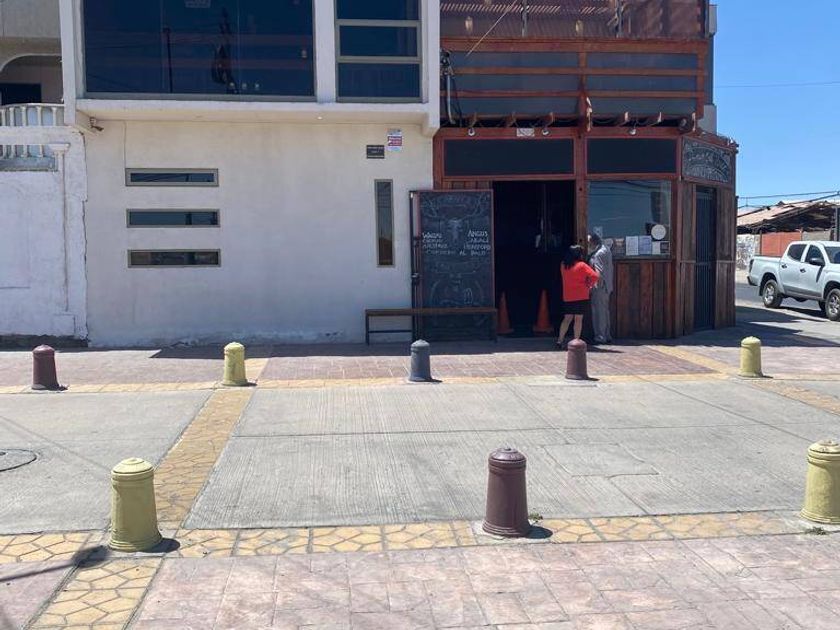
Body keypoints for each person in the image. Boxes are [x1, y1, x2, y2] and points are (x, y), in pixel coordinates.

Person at [557, 245, 600, 349]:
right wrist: (588, 284)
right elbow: (595, 276)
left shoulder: (563, 265)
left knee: (567, 319)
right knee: (578, 319)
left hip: (568, 295)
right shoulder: (582, 265)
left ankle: (560, 340)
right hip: (581, 295)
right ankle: (576, 342)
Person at [588, 232, 614, 344]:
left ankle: (600, 336)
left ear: (593, 242)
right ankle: (606, 334)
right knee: (605, 311)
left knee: (598, 312)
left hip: (600, 286)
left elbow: (598, 273)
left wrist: (592, 286)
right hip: (607, 285)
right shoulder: (606, 249)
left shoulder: (598, 254)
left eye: (589, 242)